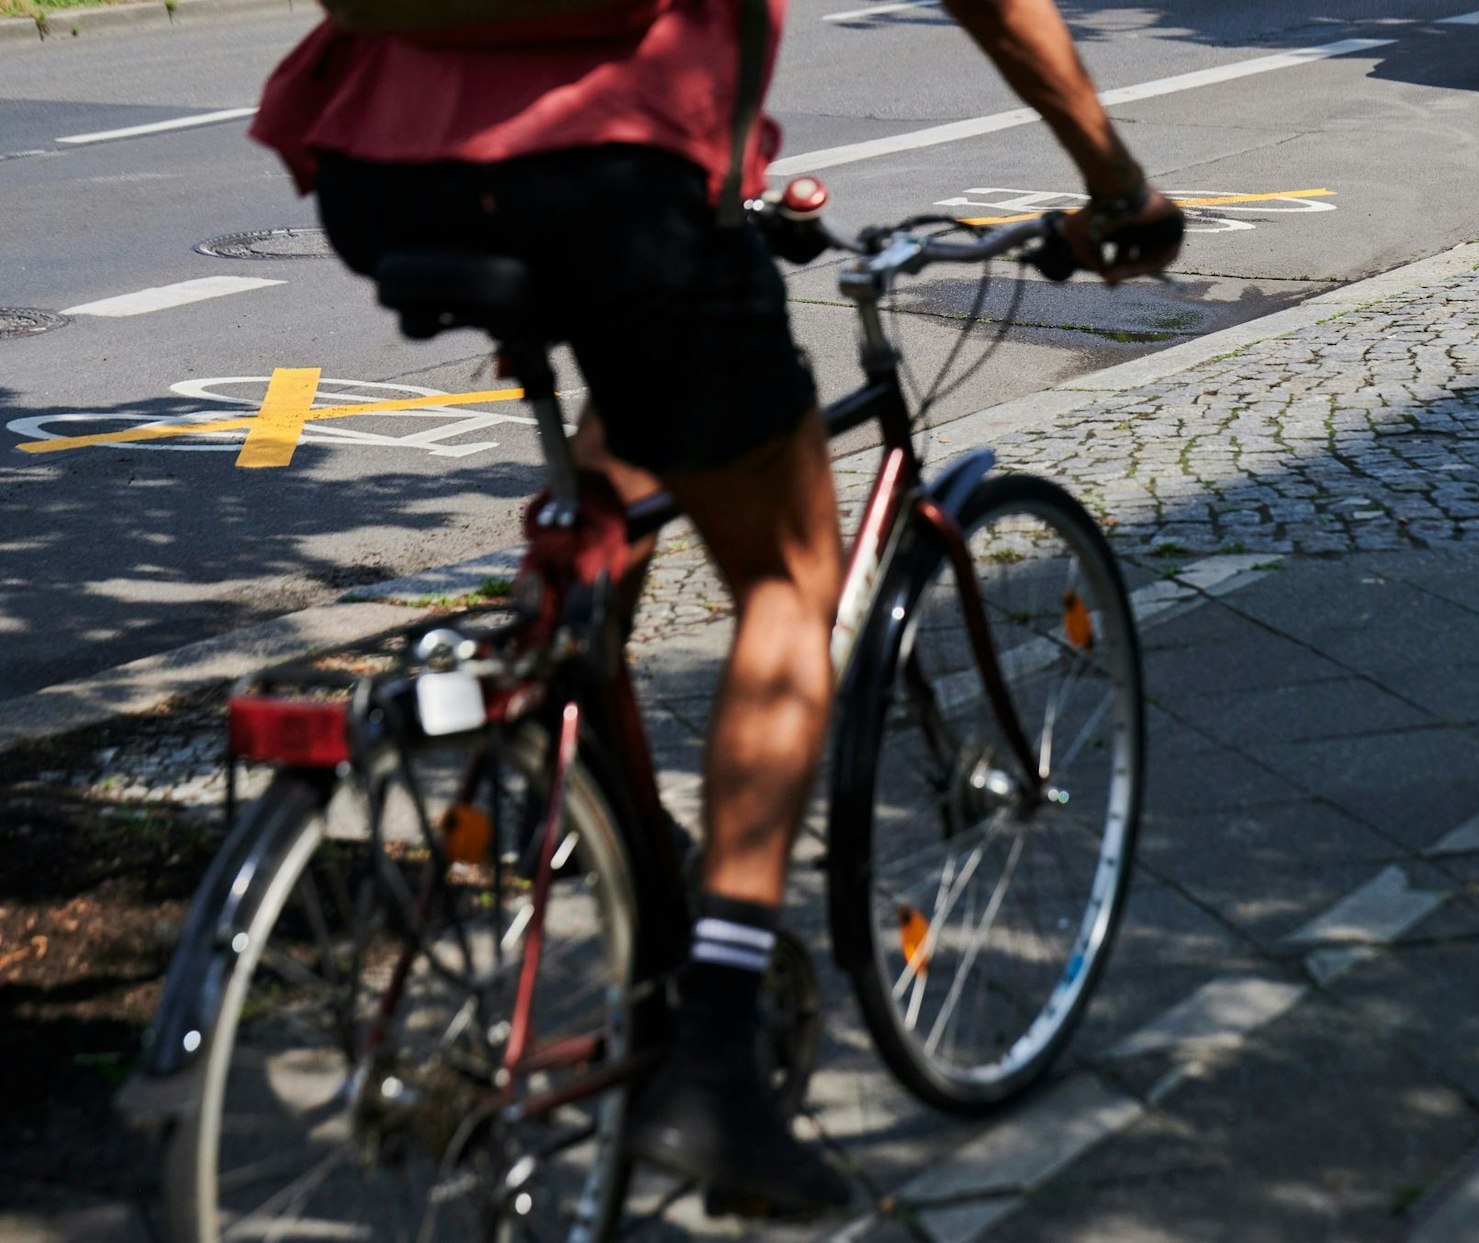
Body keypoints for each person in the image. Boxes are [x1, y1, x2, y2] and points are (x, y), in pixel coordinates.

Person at [252, 0, 1183, 1216]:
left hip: (383, 175)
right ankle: (716, 1060)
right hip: (617, 177)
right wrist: (1115, 184)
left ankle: (574, 778)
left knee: (633, 446)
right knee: (792, 581)